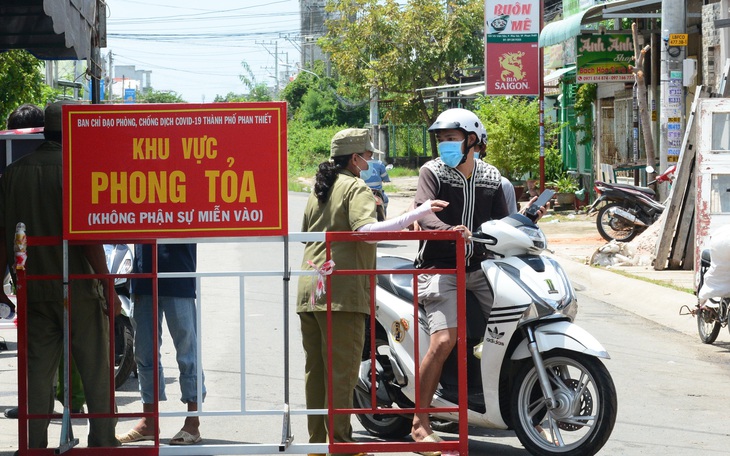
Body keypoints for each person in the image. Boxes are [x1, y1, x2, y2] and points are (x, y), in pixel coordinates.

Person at [297, 128, 447, 456]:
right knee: (342, 371)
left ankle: (318, 444)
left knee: (317, 373)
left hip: (311, 289)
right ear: (354, 158)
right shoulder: (356, 188)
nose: (370, 160)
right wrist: (418, 214)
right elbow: (365, 232)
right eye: (367, 154)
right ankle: (341, 445)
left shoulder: (318, 190)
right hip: (342, 289)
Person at [411, 108, 546, 448]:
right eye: (441, 140)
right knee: (444, 341)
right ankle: (419, 421)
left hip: (483, 270)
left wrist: (528, 218)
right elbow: (424, 216)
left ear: (472, 140)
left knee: (519, 328)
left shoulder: (490, 177)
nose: (444, 145)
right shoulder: (433, 172)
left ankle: (523, 414)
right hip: (440, 268)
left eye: (451, 139)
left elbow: (504, 225)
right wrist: (449, 232)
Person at [0, 101, 121, 449]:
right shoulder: (78, 170)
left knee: (37, 374)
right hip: (80, 288)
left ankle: (33, 443)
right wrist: (107, 285)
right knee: (96, 368)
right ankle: (102, 440)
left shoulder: (13, 173)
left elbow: (1, 233)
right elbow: (88, 240)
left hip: (33, 288)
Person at [2, 104, 86, 421]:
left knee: (38, 350)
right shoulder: (74, 166)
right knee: (73, 344)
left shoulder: (15, 170)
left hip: (30, 274)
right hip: (69, 273)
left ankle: (36, 416)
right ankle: (74, 407)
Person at [116, 243, 206, 446]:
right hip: (144, 275)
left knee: (187, 350)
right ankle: (148, 421)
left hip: (178, 274)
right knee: (144, 352)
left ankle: (193, 420)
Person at [361, 148, 391, 219]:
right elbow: (385, 178)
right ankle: (383, 217)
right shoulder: (379, 163)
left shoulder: (359, 164)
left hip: (363, 193)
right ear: (371, 153)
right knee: (386, 200)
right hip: (377, 193)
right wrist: (385, 180)